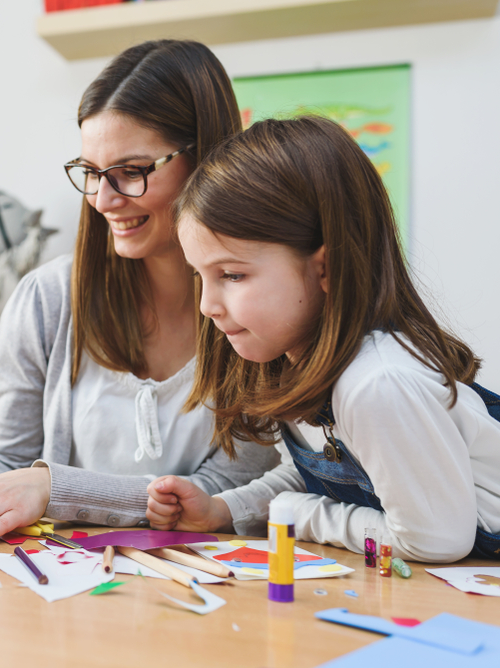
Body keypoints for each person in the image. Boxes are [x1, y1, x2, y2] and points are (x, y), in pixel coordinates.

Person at [0, 40, 280, 549]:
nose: (103, 200)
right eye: (92, 172)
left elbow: (222, 493)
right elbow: (10, 458)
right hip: (72, 587)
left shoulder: (259, 305)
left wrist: (54, 488)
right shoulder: (48, 298)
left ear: (204, 159)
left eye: (132, 171)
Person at [149, 116, 500, 562]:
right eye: (200, 277)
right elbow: (327, 476)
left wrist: (299, 517)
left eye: (232, 275)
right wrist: (224, 510)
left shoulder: (377, 383)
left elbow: (434, 540)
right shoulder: (296, 364)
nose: (207, 306)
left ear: (326, 269)